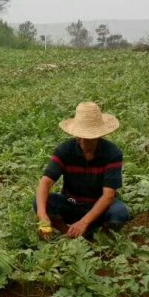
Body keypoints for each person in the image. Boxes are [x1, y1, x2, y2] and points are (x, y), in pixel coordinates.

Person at [34, 102, 131, 239]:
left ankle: (97, 236)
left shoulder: (112, 153)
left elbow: (108, 195)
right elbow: (45, 183)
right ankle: (68, 233)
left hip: (99, 206)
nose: (85, 141)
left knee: (119, 213)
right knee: (41, 203)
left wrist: (84, 222)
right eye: (81, 136)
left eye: (90, 138)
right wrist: (43, 216)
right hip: (71, 203)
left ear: (98, 135)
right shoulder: (65, 150)